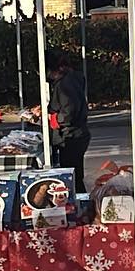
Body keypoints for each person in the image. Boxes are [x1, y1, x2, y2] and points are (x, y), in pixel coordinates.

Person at [49, 53, 90, 193]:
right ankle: (81, 201)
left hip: (71, 135)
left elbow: (69, 112)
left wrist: (54, 119)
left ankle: (80, 203)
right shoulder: (74, 79)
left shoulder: (65, 84)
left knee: (72, 178)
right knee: (76, 176)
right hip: (77, 134)